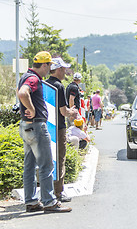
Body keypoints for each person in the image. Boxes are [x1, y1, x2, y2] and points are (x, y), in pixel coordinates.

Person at [17, 51, 71, 213]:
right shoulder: (33, 79)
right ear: (45, 65)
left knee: (30, 166)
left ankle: (32, 201)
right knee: (47, 165)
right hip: (37, 126)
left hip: (26, 126)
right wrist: (31, 109)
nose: (49, 70)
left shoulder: (24, 76)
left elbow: (21, 92)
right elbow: (22, 93)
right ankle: (49, 201)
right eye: (49, 66)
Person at [46, 57, 78, 202]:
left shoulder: (44, 84)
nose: (65, 72)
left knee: (47, 160)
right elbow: (63, 111)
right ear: (58, 70)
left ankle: (47, 191)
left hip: (46, 127)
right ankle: (59, 192)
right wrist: (72, 112)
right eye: (64, 69)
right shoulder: (58, 86)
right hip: (59, 128)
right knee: (60, 159)